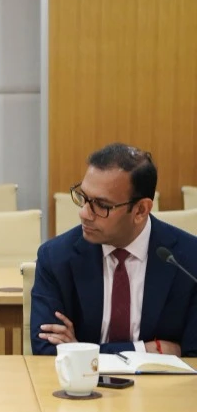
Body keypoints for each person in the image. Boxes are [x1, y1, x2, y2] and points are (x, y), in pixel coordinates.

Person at [31, 143, 197, 356]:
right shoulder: (56, 258)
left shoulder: (188, 261)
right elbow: (46, 351)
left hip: (162, 387)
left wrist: (80, 349)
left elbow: (194, 357)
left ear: (140, 210)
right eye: (83, 197)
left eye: (101, 205)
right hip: (84, 386)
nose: (84, 213)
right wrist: (146, 350)